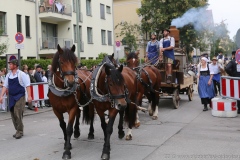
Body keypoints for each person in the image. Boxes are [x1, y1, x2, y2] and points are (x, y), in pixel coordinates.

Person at [0, 59, 32, 139]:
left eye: (11, 64)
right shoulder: (8, 75)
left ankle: (20, 131)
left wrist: (29, 96)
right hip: (11, 97)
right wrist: (1, 96)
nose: (9, 65)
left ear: (15, 65)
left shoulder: (21, 74)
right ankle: (17, 129)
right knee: (12, 113)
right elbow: (5, 86)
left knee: (17, 112)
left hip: (20, 96)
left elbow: (28, 85)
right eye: (9, 64)